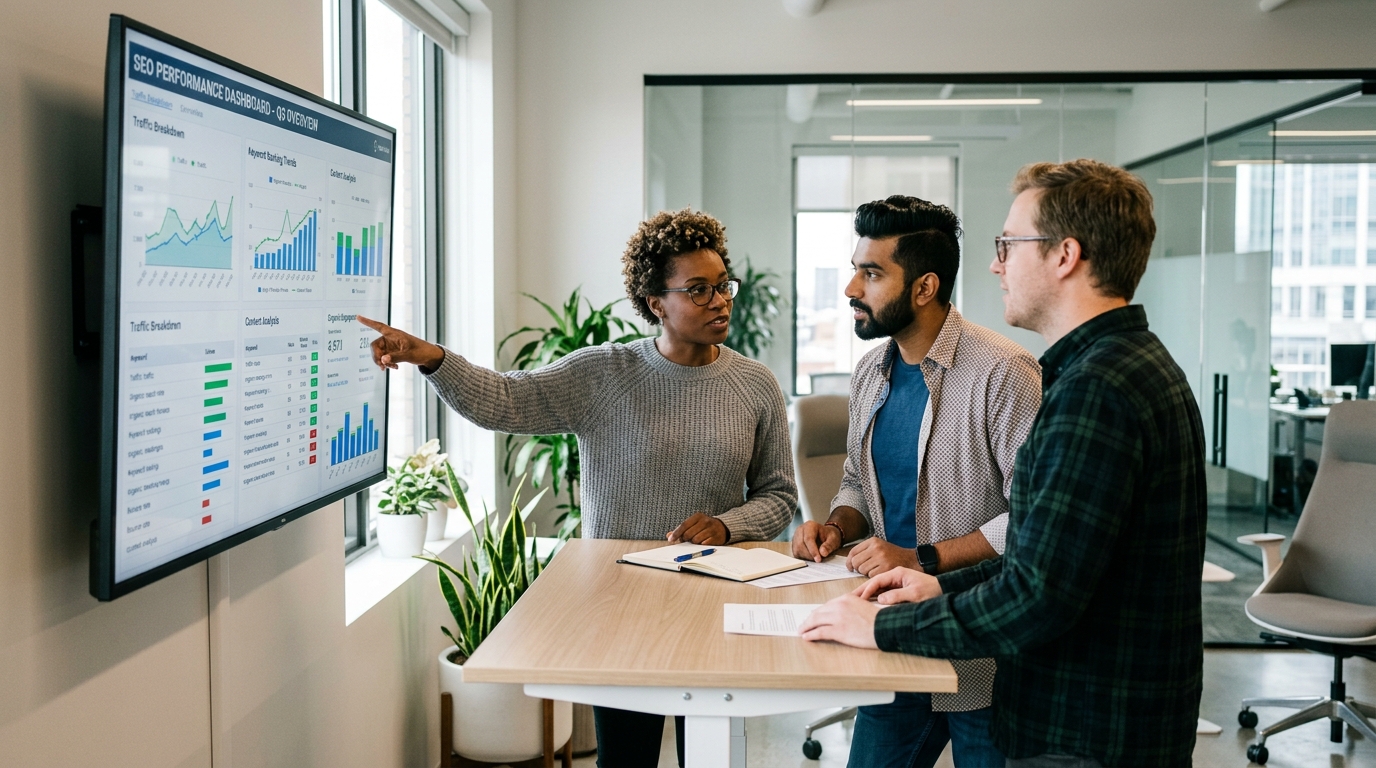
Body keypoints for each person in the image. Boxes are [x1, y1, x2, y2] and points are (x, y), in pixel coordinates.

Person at [800, 159, 1208, 768]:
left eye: (1009, 245)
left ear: (1065, 255)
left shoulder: (1091, 390)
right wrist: (931, 586)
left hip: (1080, 726)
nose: (996, 264)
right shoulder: (1119, 368)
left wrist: (887, 619)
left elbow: (1036, 593)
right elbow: (1049, 560)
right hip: (1084, 708)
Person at [359, 208, 798, 768]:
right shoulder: (603, 374)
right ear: (655, 302)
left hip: (715, 606)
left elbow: (779, 495)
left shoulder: (754, 383)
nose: (720, 300)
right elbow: (506, 401)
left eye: (721, 286)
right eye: (698, 289)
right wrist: (434, 360)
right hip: (619, 609)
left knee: (711, 758)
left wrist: (726, 525)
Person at [791, 196, 1041, 768]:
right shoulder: (870, 372)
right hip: (893, 630)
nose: (852, 287)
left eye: (872, 272)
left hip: (981, 648)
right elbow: (857, 480)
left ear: (924, 287)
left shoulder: (1004, 373)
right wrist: (836, 527)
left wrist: (920, 558)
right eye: (857, 268)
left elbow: (1029, 518)